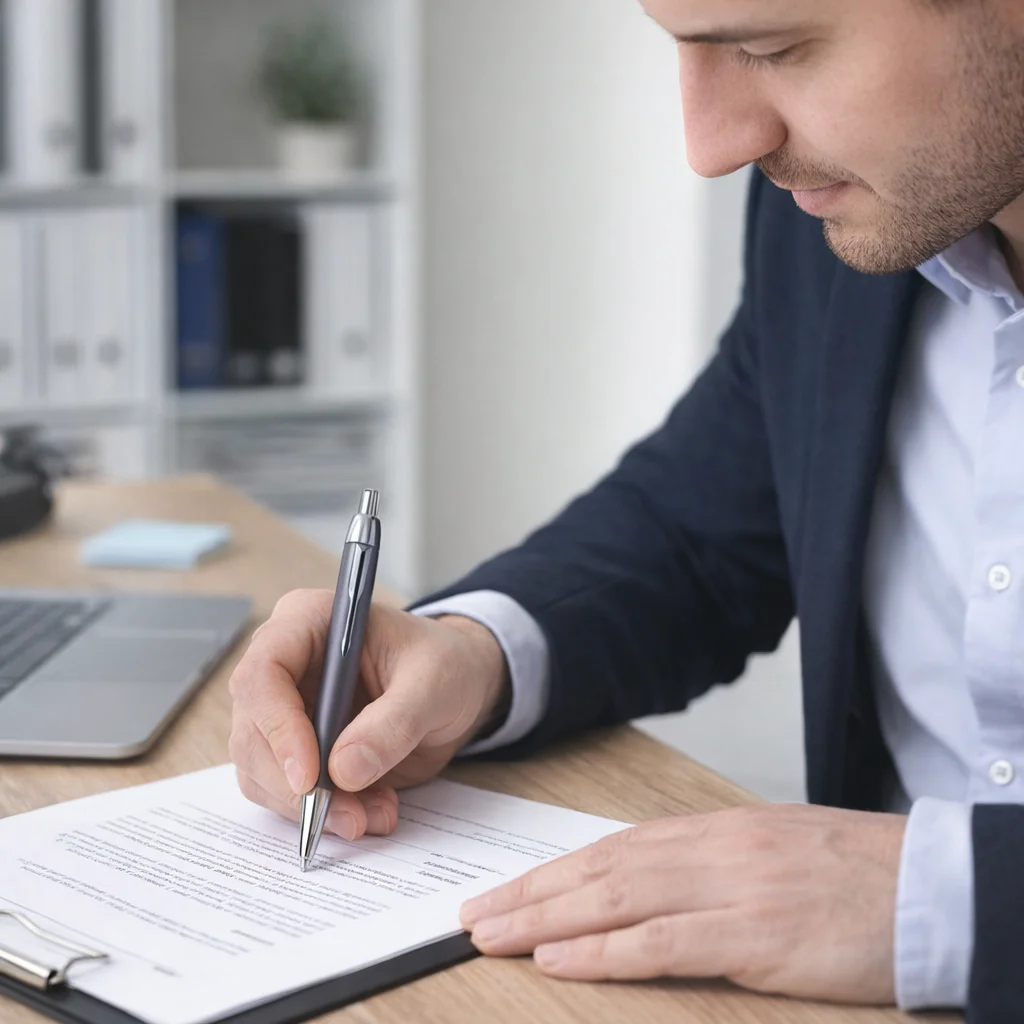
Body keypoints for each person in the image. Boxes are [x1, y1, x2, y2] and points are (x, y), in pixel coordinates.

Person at [227, 0, 1024, 1018]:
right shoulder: (858, 205)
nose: (713, 145)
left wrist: (948, 903)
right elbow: (697, 527)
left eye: (772, 48)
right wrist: (468, 653)